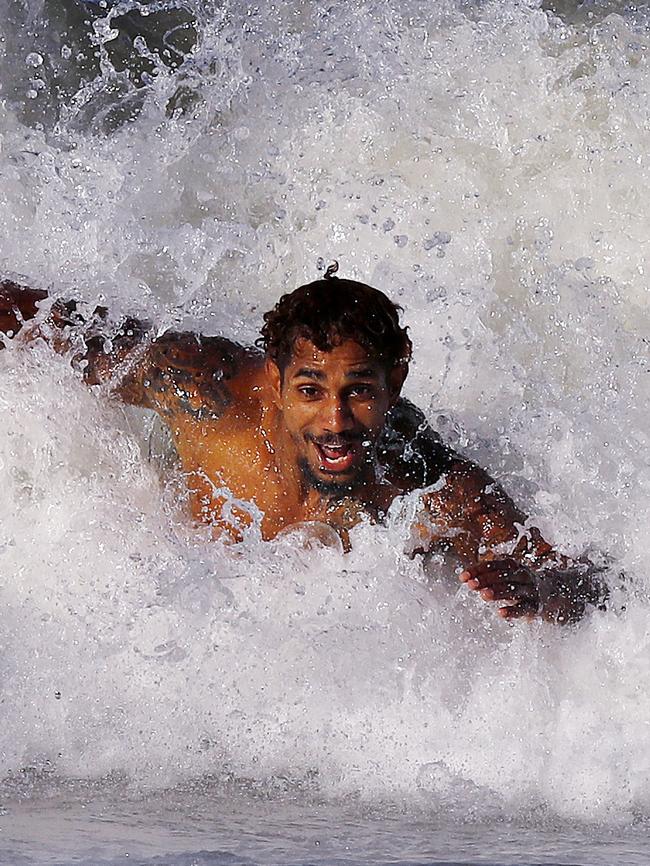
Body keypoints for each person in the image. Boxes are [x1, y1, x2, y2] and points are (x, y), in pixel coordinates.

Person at [0, 265, 607, 624]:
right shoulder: (203, 388)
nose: (336, 420)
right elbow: (47, 323)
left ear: (394, 380)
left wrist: (543, 591)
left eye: (361, 390)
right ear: (274, 379)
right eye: (311, 389)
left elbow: (592, 585)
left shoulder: (425, 482)